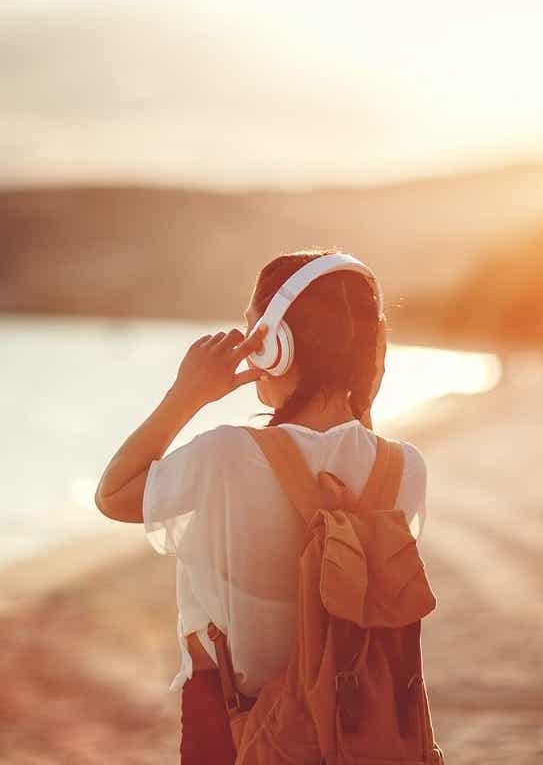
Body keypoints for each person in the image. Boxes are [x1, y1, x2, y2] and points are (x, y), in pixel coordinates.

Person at [93, 248, 428, 763]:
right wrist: (365, 375)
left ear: (277, 345)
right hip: (357, 727)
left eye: (255, 333)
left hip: (233, 725)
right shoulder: (404, 468)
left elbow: (113, 495)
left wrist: (188, 393)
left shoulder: (225, 456)